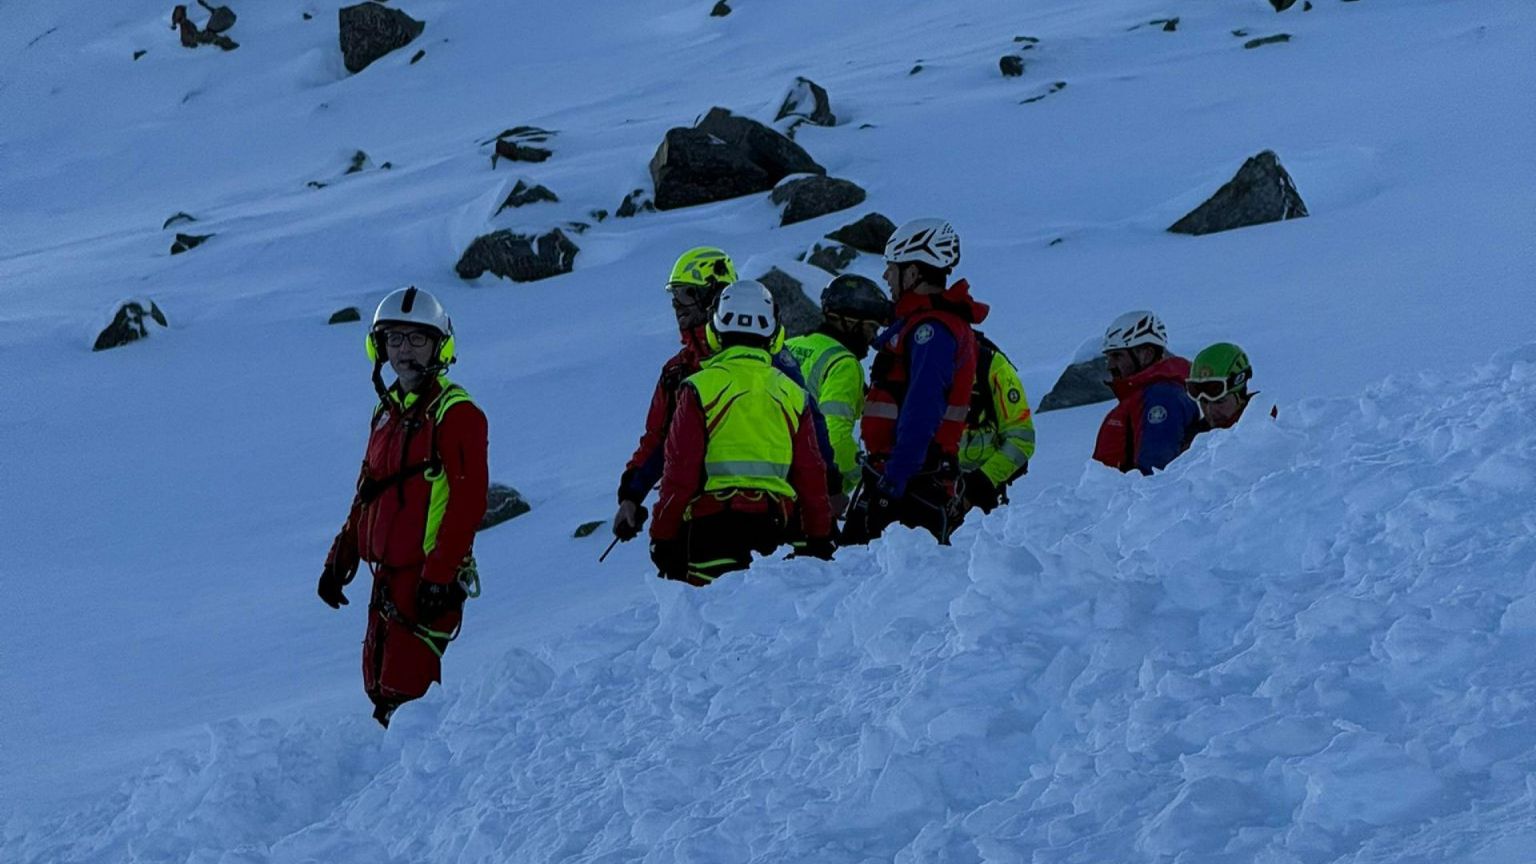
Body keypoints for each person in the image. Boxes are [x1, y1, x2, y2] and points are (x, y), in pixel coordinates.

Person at [318, 287, 489, 728]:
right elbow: (367, 490)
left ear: (439, 344)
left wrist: (439, 575)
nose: (403, 351)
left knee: (407, 689)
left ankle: (418, 782)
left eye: (416, 339)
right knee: (378, 681)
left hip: (426, 575)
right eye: (394, 340)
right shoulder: (386, 413)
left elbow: (468, 504)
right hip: (386, 577)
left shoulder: (457, 414)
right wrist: (342, 555)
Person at [611, 247, 837, 545]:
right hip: (696, 519)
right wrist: (631, 494)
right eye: (674, 295)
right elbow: (659, 441)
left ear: (713, 297)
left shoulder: (770, 359)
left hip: (773, 517)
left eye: (686, 293)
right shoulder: (678, 371)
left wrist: (828, 493)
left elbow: (811, 432)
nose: (676, 305)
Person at [649, 281, 836, 585]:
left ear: (715, 330)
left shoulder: (699, 387)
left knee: (713, 625)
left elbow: (678, 474)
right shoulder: (793, 393)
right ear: (774, 334)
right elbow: (811, 475)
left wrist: (663, 536)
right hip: (779, 532)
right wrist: (819, 535)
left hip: (713, 534)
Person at [843, 218, 989, 545]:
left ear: (913, 273)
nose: (885, 277)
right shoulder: (923, 325)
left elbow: (922, 409)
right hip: (903, 476)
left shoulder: (931, 331)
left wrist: (892, 484)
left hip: (910, 483)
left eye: (891, 268)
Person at [785, 274, 893, 503]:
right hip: (806, 488)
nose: (873, 337)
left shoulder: (789, 346)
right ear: (851, 322)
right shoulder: (843, 363)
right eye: (871, 327)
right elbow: (835, 435)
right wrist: (856, 477)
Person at [1091, 310, 1200, 475]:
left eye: (1117, 356)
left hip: (1136, 499)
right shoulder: (1140, 397)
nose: (1110, 365)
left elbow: (1155, 473)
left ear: (1146, 353)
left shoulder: (1162, 398)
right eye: (1109, 357)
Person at [957, 332, 1036, 514]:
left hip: (978, 494)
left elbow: (1022, 439)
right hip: (925, 487)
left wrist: (982, 480)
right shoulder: (917, 362)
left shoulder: (993, 367)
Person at [1183, 342, 1256, 443]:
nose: (1210, 411)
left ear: (1240, 398)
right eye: (1203, 401)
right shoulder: (1194, 441)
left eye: (1219, 401)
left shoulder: (1269, 435)